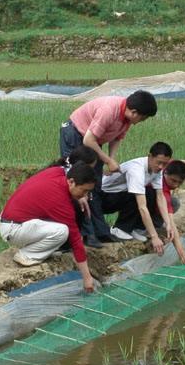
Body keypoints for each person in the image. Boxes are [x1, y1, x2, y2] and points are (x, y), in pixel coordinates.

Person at [59, 90, 158, 247]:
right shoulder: (109, 110)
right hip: (76, 134)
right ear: (134, 112)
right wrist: (107, 160)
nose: (141, 121)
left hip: (93, 141)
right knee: (79, 186)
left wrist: (111, 160)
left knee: (94, 187)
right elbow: (88, 139)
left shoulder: (126, 119)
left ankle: (101, 232)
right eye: (143, 118)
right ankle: (85, 234)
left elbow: (116, 138)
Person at [0, 162, 97, 292]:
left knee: (59, 226)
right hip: (13, 229)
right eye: (84, 191)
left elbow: (65, 170)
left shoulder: (57, 172)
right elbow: (76, 240)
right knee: (62, 231)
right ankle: (27, 256)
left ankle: (34, 249)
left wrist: (79, 196)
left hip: (13, 220)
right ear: (71, 182)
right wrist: (87, 278)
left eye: (88, 192)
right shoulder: (59, 200)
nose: (85, 195)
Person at [100, 142, 174, 256]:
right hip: (105, 197)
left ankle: (136, 228)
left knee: (150, 192)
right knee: (138, 193)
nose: (161, 167)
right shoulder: (137, 170)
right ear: (150, 156)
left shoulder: (157, 170)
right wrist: (154, 237)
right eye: (159, 162)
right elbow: (142, 207)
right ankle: (120, 229)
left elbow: (160, 196)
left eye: (164, 164)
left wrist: (168, 223)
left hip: (121, 195)